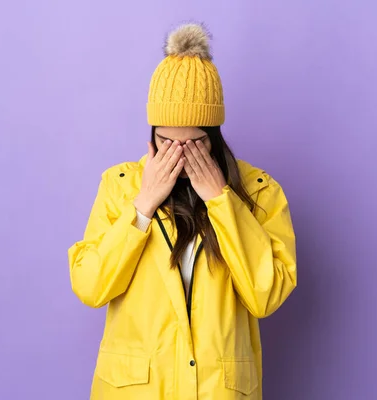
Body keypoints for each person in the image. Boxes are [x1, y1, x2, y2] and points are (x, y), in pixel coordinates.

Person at [68, 23, 297, 400]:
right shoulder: (119, 184)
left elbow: (266, 295)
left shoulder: (260, 192)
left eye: (193, 144)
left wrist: (221, 200)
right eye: (166, 142)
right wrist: (143, 206)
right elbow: (91, 287)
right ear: (151, 134)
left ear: (215, 136)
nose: (179, 155)